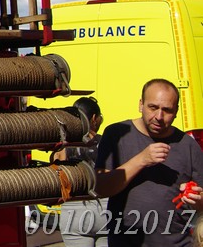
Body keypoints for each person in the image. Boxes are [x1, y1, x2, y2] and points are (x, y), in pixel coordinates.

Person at [95, 78, 203, 246]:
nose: (159, 116)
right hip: (127, 242)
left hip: (176, 242)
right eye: (153, 107)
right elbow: (101, 187)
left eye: (167, 110)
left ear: (176, 111)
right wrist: (141, 160)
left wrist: (198, 200)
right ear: (141, 105)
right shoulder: (117, 135)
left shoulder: (188, 144)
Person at [57, 96, 109, 246]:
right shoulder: (106, 142)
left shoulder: (63, 146)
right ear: (94, 118)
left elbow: (57, 174)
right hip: (105, 210)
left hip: (74, 212)